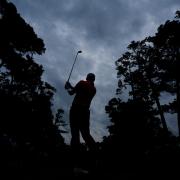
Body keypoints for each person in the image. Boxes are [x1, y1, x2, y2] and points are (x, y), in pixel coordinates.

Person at [65, 73, 97, 152]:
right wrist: (70, 86)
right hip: (85, 112)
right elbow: (78, 91)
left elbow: (72, 92)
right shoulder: (93, 89)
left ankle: (75, 156)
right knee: (86, 134)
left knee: (75, 133)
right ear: (94, 80)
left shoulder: (82, 82)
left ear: (86, 77)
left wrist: (67, 87)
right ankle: (96, 152)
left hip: (76, 110)